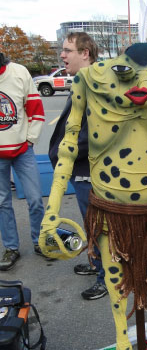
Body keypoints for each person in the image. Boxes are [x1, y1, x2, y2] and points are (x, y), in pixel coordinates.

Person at [49, 32, 107, 300]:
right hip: (80, 169)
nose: (63, 55)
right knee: (90, 223)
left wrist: (68, 153)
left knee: (99, 227)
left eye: (68, 50)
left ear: (85, 53)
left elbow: (97, 131)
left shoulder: (95, 84)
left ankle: (106, 278)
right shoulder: (84, 81)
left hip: (89, 170)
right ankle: (96, 264)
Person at [0, 52, 46, 271]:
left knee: (36, 199)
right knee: (2, 203)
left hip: (22, 150)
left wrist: (30, 140)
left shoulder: (19, 72)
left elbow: (36, 110)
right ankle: (11, 248)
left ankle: (39, 241)